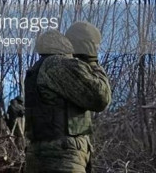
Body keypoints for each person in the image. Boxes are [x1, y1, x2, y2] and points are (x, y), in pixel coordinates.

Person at [24, 26, 111, 173]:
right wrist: (91, 61)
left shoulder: (42, 66)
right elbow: (101, 97)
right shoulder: (59, 64)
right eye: (95, 47)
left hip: (44, 157)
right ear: (86, 44)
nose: (96, 50)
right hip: (62, 160)